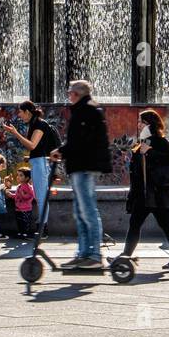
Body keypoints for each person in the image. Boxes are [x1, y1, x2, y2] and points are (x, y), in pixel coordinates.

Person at [51, 79, 110, 271]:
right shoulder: (84, 110)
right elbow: (78, 141)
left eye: (70, 92)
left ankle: (94, 255)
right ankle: (83, 253)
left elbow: (82, 142)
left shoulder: (89, 110)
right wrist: (63, 150)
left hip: (85, 167)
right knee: (80, 212)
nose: (68, 95)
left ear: (77, 94)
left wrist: (62, 150)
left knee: (88, 211)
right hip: (79, 166)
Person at [117, 109, 169, 271]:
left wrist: (150, 151)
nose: (138, 124)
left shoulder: (159, 141)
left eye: (141, 122)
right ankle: (125, 256)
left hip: (159, 193)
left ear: (149, 124)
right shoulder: (141, 142)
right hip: (144, 193)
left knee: (165, 224)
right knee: (135, 223)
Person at [2, 100, 59, 221]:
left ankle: (43, 227)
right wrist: (30, 157)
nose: (19, 115)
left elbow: (32, 145)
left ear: (27, 112)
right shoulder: (34, 124)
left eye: (20, 112)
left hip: (40, 164)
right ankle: (42, 224)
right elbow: (38, 148)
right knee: (39, 196)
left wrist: (15, 133)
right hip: (37, 162)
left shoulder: (39, 124)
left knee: (41, 197)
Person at [5, 167, 37, 238]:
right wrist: (11, 195)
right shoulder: (19, 186)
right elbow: (17, 196)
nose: (18, 177)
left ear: (27, 178)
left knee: (25, 222)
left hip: (25, 209)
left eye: (21, 175)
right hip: (18, 208)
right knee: (19, 221)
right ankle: (21, 232)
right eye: (18, 175)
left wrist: (23, 195)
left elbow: (31, 195)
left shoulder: (28, 187)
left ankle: (25, 233)